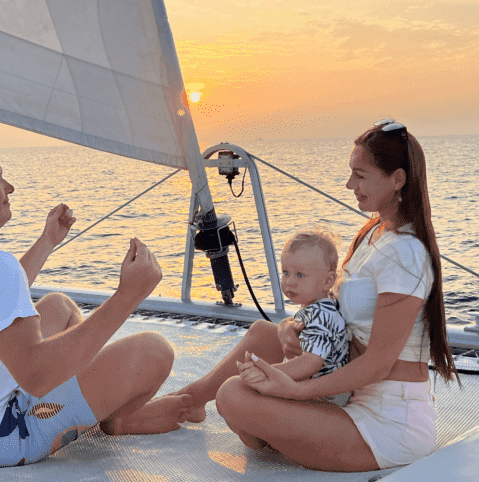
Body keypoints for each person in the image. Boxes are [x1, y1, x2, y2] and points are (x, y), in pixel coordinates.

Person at [176, 120, 457, 472]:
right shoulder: (374, 233)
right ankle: (189, 401)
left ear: (396, 180)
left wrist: (295, 391)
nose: (349, 184)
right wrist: (295, 329)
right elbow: (338, 314)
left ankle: (263, 425)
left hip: (385, 425)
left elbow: (378, 364)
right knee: (264, 334)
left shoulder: (405, 253)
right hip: (347, 394)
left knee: (233, 395)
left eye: (360, 175)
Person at [0, 138, 192, 469]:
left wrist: (46, 241)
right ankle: (116, 420)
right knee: (154, 352)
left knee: (58, 307)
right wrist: (128, 296)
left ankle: (98, 406)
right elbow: (37, 378)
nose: (8, 187)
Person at [273, 229, 350, 401]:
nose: (290, 281)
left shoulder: (320, 315)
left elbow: (310, 364)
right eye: (286, 272)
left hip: (320, 399)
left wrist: (268, 371)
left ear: (328, 281)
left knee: (239, 391)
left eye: (300, 275)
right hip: (316, 392)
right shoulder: (322, 306)